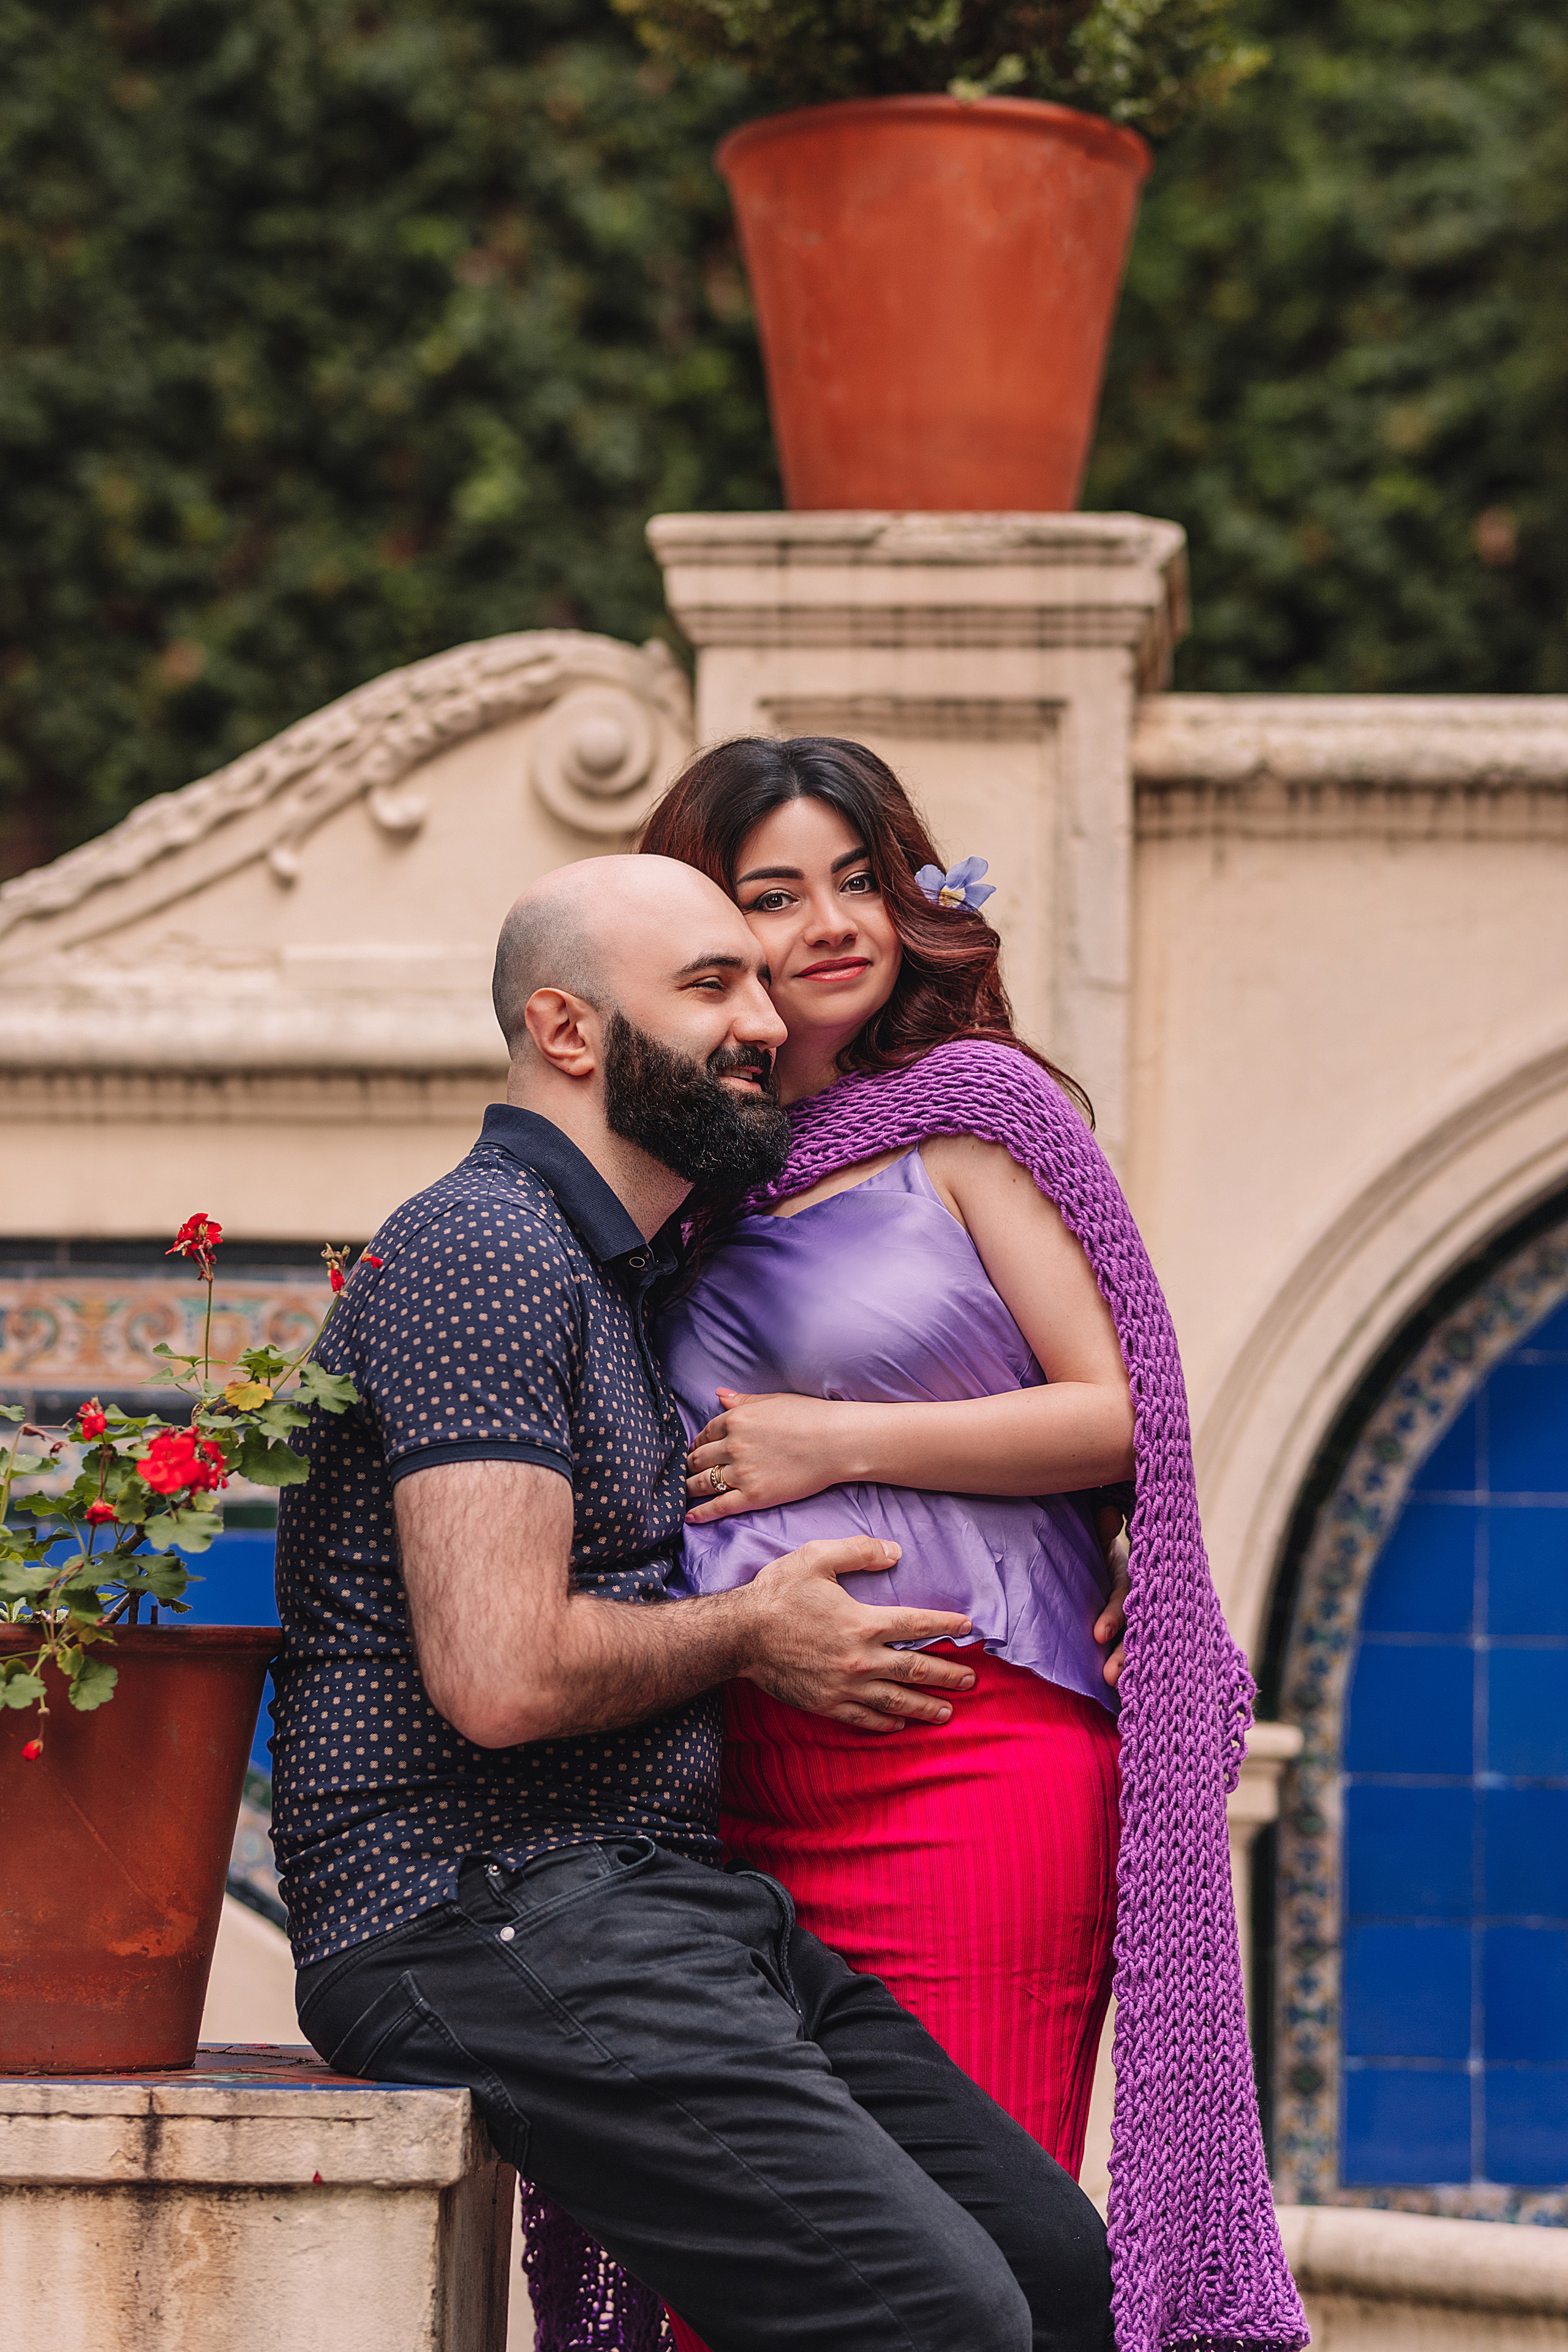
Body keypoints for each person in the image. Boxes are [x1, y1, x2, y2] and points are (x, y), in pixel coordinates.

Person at [268, 851, 1117, 2352]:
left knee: (1049, 2268)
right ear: (568, 1030)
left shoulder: (619, 1277)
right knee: (939, 2316)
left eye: (757, 981)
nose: (763, 1022)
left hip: (656, 1905)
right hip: (470, 1913)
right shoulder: (484, 1254)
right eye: (710, 985)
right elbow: (500, 1673)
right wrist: (753, 1632)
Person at [637, 740, 1307, 2352]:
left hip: (971, 1766)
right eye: (776, 894)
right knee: (739, 2273)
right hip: (737, 1798)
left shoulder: (969, 1118)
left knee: (956, 2268)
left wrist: (826, 1437)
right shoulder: (666, 1188)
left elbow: (1118, 1413)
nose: (832, 924)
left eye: (858, 880)